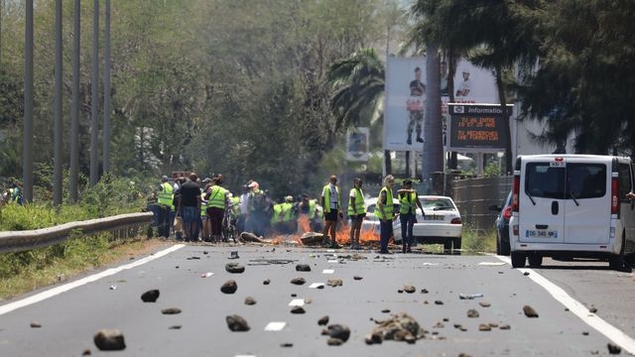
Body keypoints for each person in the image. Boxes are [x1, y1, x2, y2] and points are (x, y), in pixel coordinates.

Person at [397, 179, 424, 253]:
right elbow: (398, 191)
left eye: (410, 185)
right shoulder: (402, 192)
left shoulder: (414, 193)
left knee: (410, 230)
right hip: (403, 213)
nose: (408, 186)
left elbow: (417, 201)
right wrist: (409, 191)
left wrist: (422, 209)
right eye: (407, 185)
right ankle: (404, 246)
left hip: (411, 213)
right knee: (403, 230)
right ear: (404, 186)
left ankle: (409, 246)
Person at [177, 173, 201, 242]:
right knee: (194, 222)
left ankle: (187, 236)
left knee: (186, 221)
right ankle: (192, 236)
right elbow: (198, 198)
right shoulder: (196, 186)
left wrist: (179, 206)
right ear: (195, 179)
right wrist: (199, 207)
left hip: (185, 206)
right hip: (194, 206)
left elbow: (180, 196)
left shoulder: (183, 185)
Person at [205, 175, 230, 242]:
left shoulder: (211, 188)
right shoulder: (223, 190)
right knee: (219, 223)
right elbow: (227, 199)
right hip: (221, 209)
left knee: (213, 222)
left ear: (214, 182)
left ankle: (214, 238)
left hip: (212, 208)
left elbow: (206, 197)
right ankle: (219, 238)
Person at [321, 175, 342, 248]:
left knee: (334, 226)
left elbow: (338, 200)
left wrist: (340, 210)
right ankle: (324, 240)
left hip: (335, 208)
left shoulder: (336, 188)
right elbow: (323, 198)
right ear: (330, 180)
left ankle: (333, 242)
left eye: (336, 180)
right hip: (329, 208)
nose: (335, 182)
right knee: (327, 225)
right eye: (333, 180)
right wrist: (324, 208)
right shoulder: (326, 188)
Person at [376, 175, 395, 254]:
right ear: (386, 182)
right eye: (390, 182)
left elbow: (389, 204)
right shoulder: (384, 191)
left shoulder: (389, 190)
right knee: (385, 232)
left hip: (388, 216)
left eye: (392, 182)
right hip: (383, 216)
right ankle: (383, 249)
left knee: (389, 232)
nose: (391, 183)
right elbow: (380, 203)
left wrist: (393, 215)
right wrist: (383, 215)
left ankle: (384, 247)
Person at [406, 67, 425, 145]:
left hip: (420, 106)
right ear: (415, 74)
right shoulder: (412, 83)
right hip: (413, 105)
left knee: (419, 122)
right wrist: (420, 91)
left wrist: (420, 87)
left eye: (419, 74)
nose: (418, 75)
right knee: (412, 122)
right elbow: (415, 92)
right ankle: (409, 137)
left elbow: (425, 92)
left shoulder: (422, 84)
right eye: (417, 74)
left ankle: (418, 137)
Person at [347, 177, 366, 250]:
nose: (360, 184)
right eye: (358, 183)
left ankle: (357, 243)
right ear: (355, 184)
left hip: (360, 213)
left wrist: (363, 212)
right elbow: (352, 202)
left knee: (358, 228)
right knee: (353, 228)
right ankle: (352, 244)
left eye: (361, 183)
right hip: (354, 213)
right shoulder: (353, 191)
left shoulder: (360, 191)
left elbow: (361, 203)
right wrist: (355, 212)